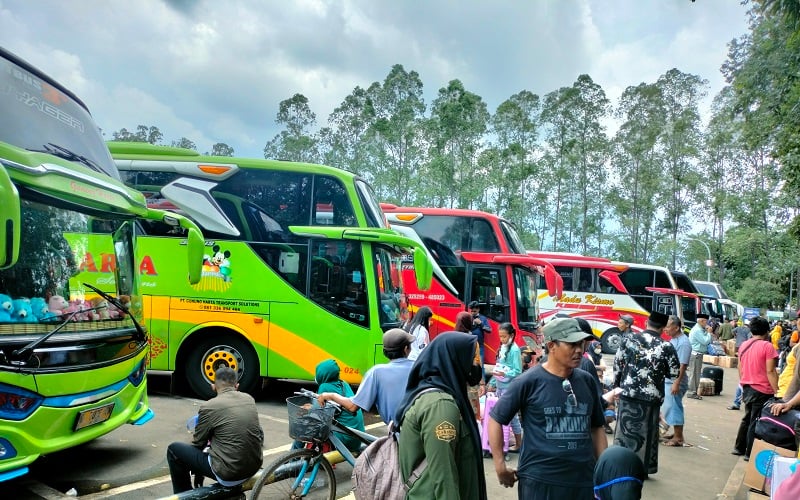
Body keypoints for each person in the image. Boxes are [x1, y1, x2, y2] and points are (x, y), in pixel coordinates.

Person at [488, 317, 607, 499]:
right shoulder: (528, 381)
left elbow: (597, 427)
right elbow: (496, 419)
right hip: (540, 481)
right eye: (572, 344)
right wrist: (499, 465)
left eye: (581, 344)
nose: (578, 350)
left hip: (582, 480)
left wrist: (603, 470)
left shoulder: (587, 381)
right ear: (551, 346)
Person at [395, 332, 488, 500]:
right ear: (454, 360)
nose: (475, 365)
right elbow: (444, 476)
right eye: (471, 359)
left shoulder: (441, 394)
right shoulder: (440, 405)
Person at [166, 366, 264, 493]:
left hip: (230, 473)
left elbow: (198, 443)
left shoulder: (209, 406)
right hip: (253, 467)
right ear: (237, 386)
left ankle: (184, 494)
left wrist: (198, 471)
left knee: (174, 450)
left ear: (213, 386)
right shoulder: (249, 399)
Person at [613, 311, 679, 476]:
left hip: (628, 393)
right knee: (647, 434)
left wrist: (616, 386)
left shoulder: (628, 340)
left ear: (646, 323)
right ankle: (641, 469)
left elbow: (617, 365)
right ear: (663, 328)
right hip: (651, 397)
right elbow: (674, 372)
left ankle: (619, 466)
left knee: (624, 431)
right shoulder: (666, 346)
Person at [317, 328, 414, 425]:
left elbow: (352, 407)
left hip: (400, 434)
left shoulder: (376, 372)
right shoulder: (419, 367)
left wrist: (331, 395)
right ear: (406, 349)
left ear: (384, 352)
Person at [732, 316, 778, 460]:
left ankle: (738, 447)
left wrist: (744, 382)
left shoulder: (744, 345)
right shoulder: (767, 346)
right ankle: (749, 453)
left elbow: (740, 367)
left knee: (747, 418)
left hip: (747, 387)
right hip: (762, 389)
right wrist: (777, 391)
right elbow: (770, 371)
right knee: (756, 420)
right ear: (767, 331)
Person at [314, 359, 365, 451]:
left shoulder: (324, 387)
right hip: (358, 437)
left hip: (345, 439)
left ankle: (293, 461)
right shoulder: (344, 384)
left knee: (309, 427)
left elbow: (319, 413)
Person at [491, 322, 524, 453]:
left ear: (511, 335)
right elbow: (498, 366)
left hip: (509, 387)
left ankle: (519, 443)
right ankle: (506, 440)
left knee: (512, 416)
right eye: (500, 336)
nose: (502, 339)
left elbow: (517, 371)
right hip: (500, 385)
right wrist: (492, 383)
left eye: (504, 336)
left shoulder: (515, 350)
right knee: (502, 415)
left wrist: (504, 373)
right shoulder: (503, 347)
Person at [660, 315, 691, 447]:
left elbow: (682, 365)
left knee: (675, 407)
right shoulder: (674, 340)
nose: (665, 329)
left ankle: (678, 438)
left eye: (668, 326)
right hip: (669, 379)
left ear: (676, 327)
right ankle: (677, 434)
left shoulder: (683, 343)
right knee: (670, 406)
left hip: (675, 380)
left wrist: (676, 383)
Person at [728, 320, 753, 410]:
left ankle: (737, 403)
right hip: (751, 370)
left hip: (739, 345)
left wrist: (736, 336)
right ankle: (740, 403)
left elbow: (732, 331)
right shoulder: (749, 333)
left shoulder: (738, 328)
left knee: (741, 385)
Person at [687, 313, 711, 400]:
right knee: (694, 374)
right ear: (701, 321)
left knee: (696, 374)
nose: (707, 324)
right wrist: (709, 333)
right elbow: (705, 341)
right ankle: (691, 392)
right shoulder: (697, 330)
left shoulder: (700, 329)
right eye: (706, 322)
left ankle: (694, 392)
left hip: (698, 354)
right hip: (695, 354)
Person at [468, 300, 492, 365]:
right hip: (468, 345)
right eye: (471, 311)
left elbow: (489, 330)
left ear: (478, 309)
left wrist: (481, 323)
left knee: (480, 365)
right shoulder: (468, 317)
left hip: (479, 345)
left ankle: (481, 375)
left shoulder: (483, 318)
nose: (473, 313)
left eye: (474, 311)